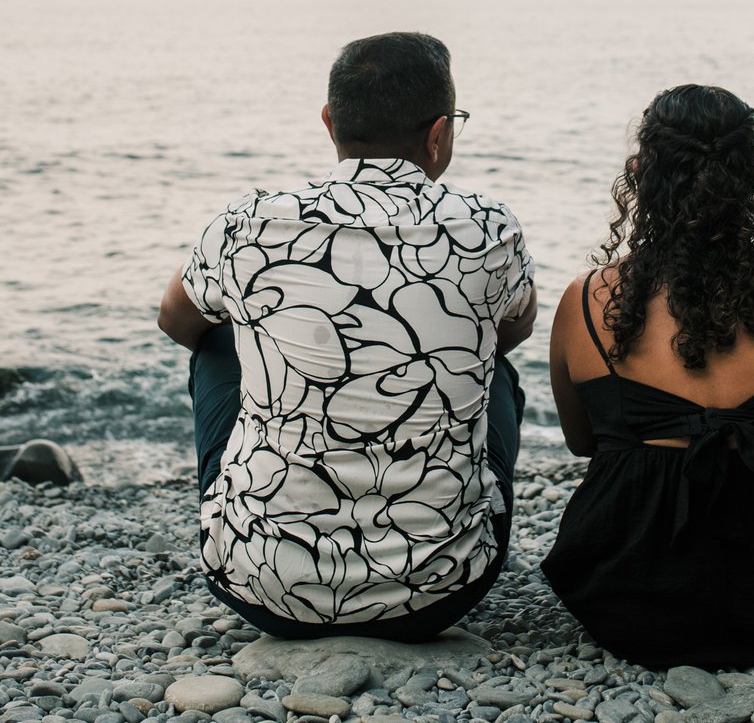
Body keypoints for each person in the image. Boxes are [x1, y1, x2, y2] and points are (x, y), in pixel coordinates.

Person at [157, 31, 537, 638]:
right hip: (438, 591)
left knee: (218, 338)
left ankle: (258, 506)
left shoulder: (247, 223)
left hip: (260, 583)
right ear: (438, 134)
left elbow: (175, 320)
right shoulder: (489, 228)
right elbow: (516, 326)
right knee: (490, 363)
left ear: (330, 122)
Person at [542, 84, 754, 668]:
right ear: (751, 176)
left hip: (632, 605)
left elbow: (585, 443)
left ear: (641, 175)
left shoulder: (586, 300)